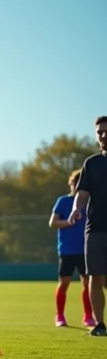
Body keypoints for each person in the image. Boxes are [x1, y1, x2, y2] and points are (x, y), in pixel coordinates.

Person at [69, 115, 107, 336]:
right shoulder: (91, 163)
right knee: (95, 276)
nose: (102, 135)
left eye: (105, 131)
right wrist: (76, 208)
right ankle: (100, 324)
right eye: (99, 132)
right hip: (95, 230)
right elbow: (82, 194)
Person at [49, 170, 93, 328]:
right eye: (75, 183)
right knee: (64, 283)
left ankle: (88, 316)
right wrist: (68, 222)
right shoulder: (63, 201)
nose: (77, 186)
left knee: (88, 283)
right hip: (67, 250)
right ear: (71, 184)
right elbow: (52, 223)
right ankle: (60, 316)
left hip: (85, 249)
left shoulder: (89, 203)